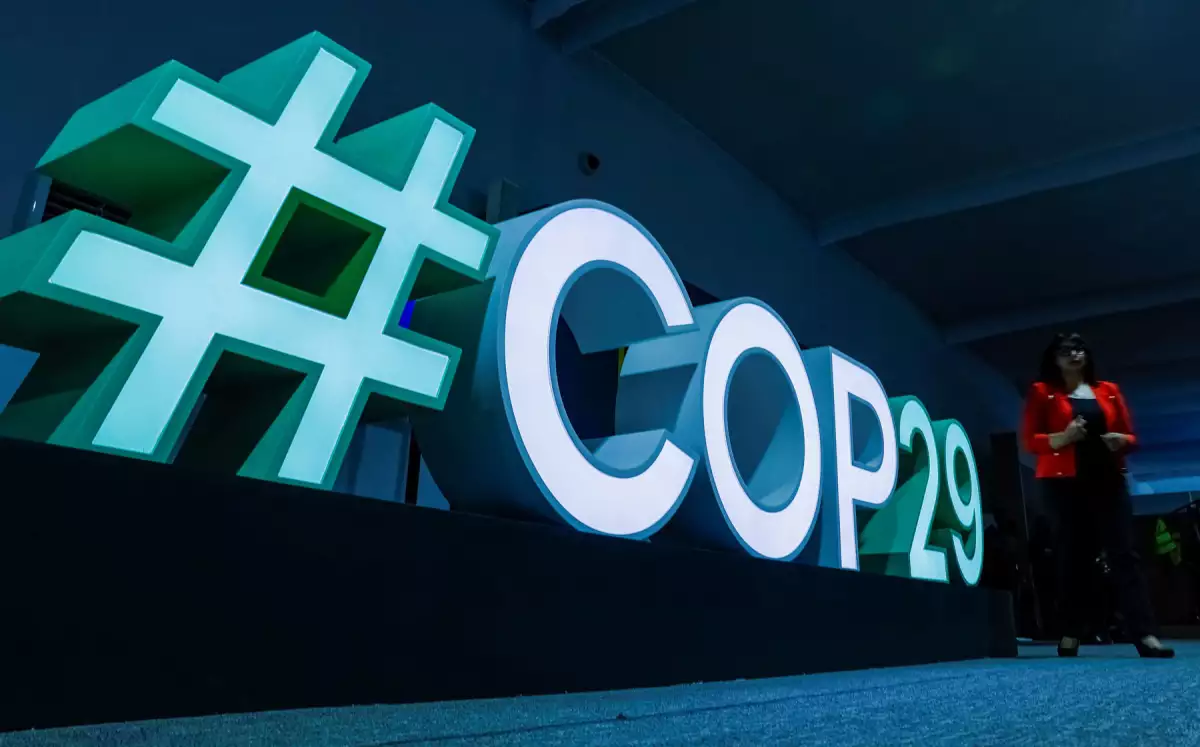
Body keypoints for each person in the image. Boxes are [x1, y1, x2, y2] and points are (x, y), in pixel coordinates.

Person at [1021, 333, 1174, 658]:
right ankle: (1071, 632)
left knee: (1124, 555)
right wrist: (1063, 437)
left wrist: (1123, 440)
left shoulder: (1108, 390)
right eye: (1066, 350)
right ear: (1054, 358)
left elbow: (1132, 437)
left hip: (1108, 480)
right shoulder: (1042, 392)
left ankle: (1145, 634)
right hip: (1064, 484)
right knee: (1072, 558)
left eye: (1079, 349)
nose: (1074, 354)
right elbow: (1030, 441)